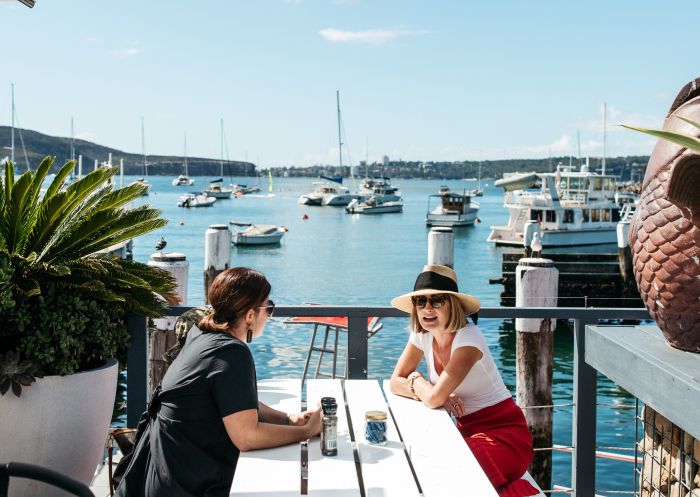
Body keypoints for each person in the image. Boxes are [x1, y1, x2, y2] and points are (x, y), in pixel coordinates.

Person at [117, 267, 322, 497]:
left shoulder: (201, 334)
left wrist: (288, 419)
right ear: (250, 315)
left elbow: (237, 403)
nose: (270, 315)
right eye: (268, 307)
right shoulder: (231, 353)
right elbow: (247, 437)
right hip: (186, 486)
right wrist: (306, 432)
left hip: (164, 472)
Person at [390, 264, 537, 497]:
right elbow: (395, 381)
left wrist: (416, 379)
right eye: (420, 301)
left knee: (454, 473)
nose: (427, 308)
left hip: (505, 437)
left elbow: (434, 397)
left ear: (452, 305)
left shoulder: (469, 339)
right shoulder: (421, 335)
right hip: (467, 434)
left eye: (436, 300)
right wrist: (428, 390)